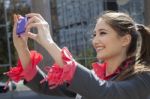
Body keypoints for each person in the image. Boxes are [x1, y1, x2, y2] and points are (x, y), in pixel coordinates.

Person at [5, 11, 150, 99]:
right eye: (94, 34)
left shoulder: (143, 78)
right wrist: (22, 47)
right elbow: (43, 86)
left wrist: (49, 43)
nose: (95, 40)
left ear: (125, 39)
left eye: (103, 33)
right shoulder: (94, 75)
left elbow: (105, 93)